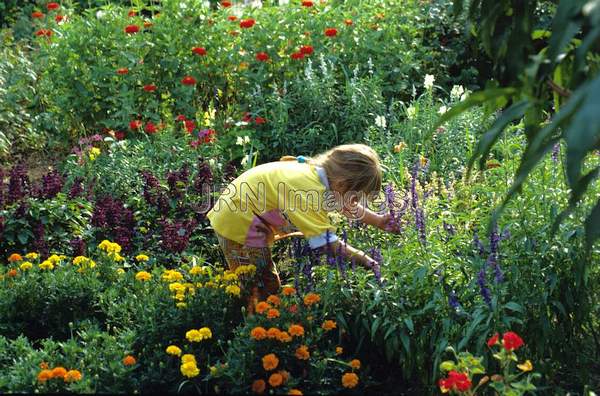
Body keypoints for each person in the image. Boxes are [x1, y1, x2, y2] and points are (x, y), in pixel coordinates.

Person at [207, 144, 396, 310]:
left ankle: (260, 322)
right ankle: (254, 331)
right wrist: (366, 261)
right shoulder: (308, 190)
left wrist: (378, 220)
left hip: (243, 212)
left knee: (262, 281)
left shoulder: (318, 173)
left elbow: (344, 204)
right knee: (260, 285)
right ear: (341, 185)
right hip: (237, 222)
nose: (354, 203)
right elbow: (327, 243)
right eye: (356, 197)